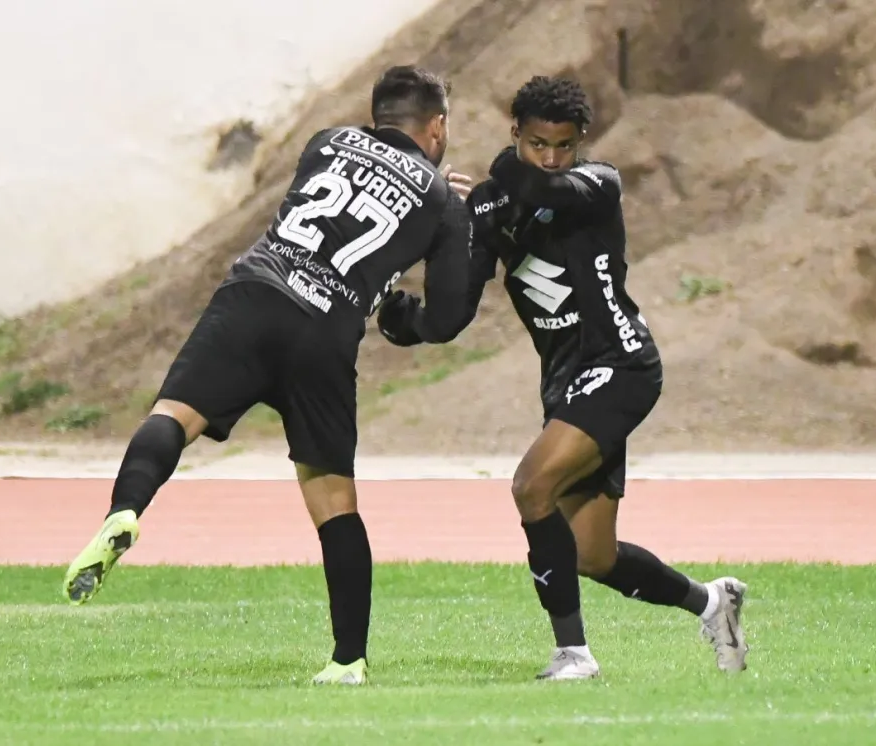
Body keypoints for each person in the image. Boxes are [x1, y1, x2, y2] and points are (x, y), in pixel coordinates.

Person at [62, 65, 474, 687]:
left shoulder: (326, 142)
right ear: (437, 126)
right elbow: (446, 316)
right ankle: (347, 661)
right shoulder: (443, 201)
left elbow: (346, 199)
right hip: (327, 328)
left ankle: (124, 510)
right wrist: (402, 315)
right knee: (334, 498)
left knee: (173, 416)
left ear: (377, 115)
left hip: (257, 292)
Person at [377, 75, 749, 680]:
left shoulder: (597, 185)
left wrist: (499, 177)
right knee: (592, 556)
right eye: (536, 144)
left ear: (581, 145)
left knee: (530, 486)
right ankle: (713, 604)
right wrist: (407, 320)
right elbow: (452, 314)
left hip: (622, 364)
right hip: (566, 382)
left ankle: (573, 655)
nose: (552, 157)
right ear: (516, 133)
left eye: (564, 145)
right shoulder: (492, 207)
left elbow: (535, 184)